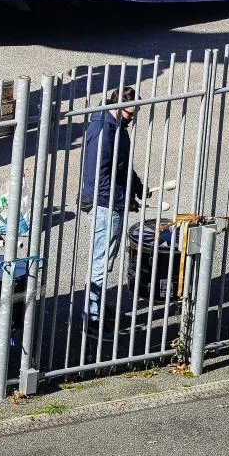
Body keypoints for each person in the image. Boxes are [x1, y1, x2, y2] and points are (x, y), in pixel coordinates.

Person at [80, 85, 141, 323]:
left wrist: (136, 185)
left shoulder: (117, 127)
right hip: (105, 205)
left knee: (104, 262)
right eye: (129, 113)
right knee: (100, 263)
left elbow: (120, 162)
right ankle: (92, 318)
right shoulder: (105, 131)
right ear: (117, 107)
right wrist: (124, 201)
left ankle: (97, 307)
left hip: (111, 202)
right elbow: (98, 179)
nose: (132, 117)